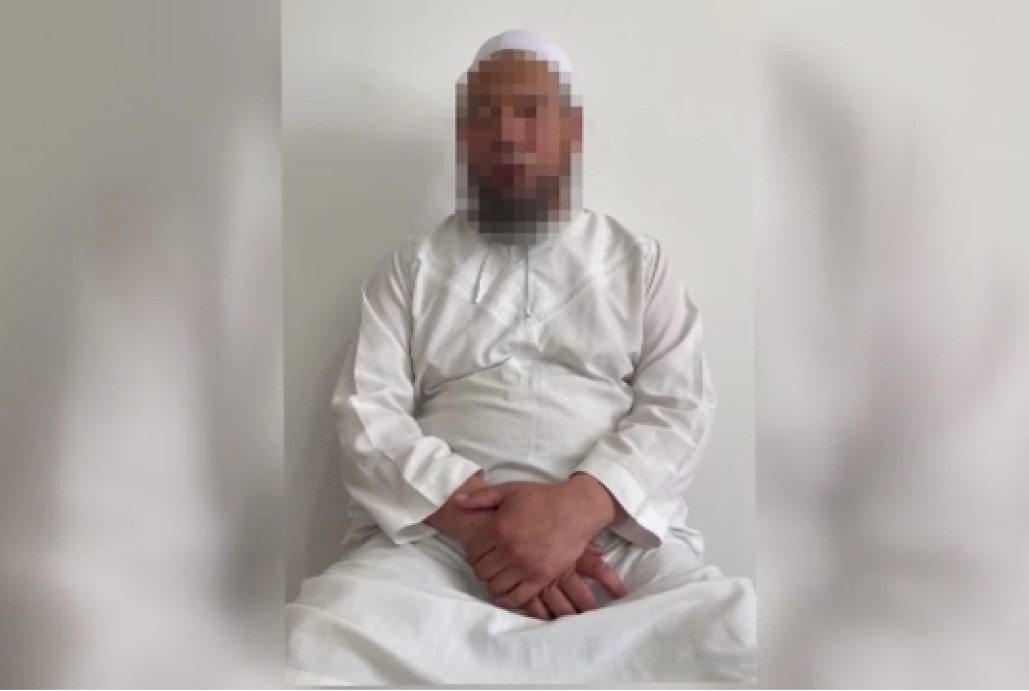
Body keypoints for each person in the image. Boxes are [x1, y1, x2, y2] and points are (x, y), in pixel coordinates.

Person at [286, 29, 756, 685]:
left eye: (530, 111)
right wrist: (489, 531)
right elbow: (367, 417)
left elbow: (681, 410)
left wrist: (577, 510)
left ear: (572, 130)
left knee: (742, 638)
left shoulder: (640, 266)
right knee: (310, 643)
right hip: (439, 554)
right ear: (464, 139)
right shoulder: (411, 270)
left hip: (614, 554)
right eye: (485, 116)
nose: (508, 134)